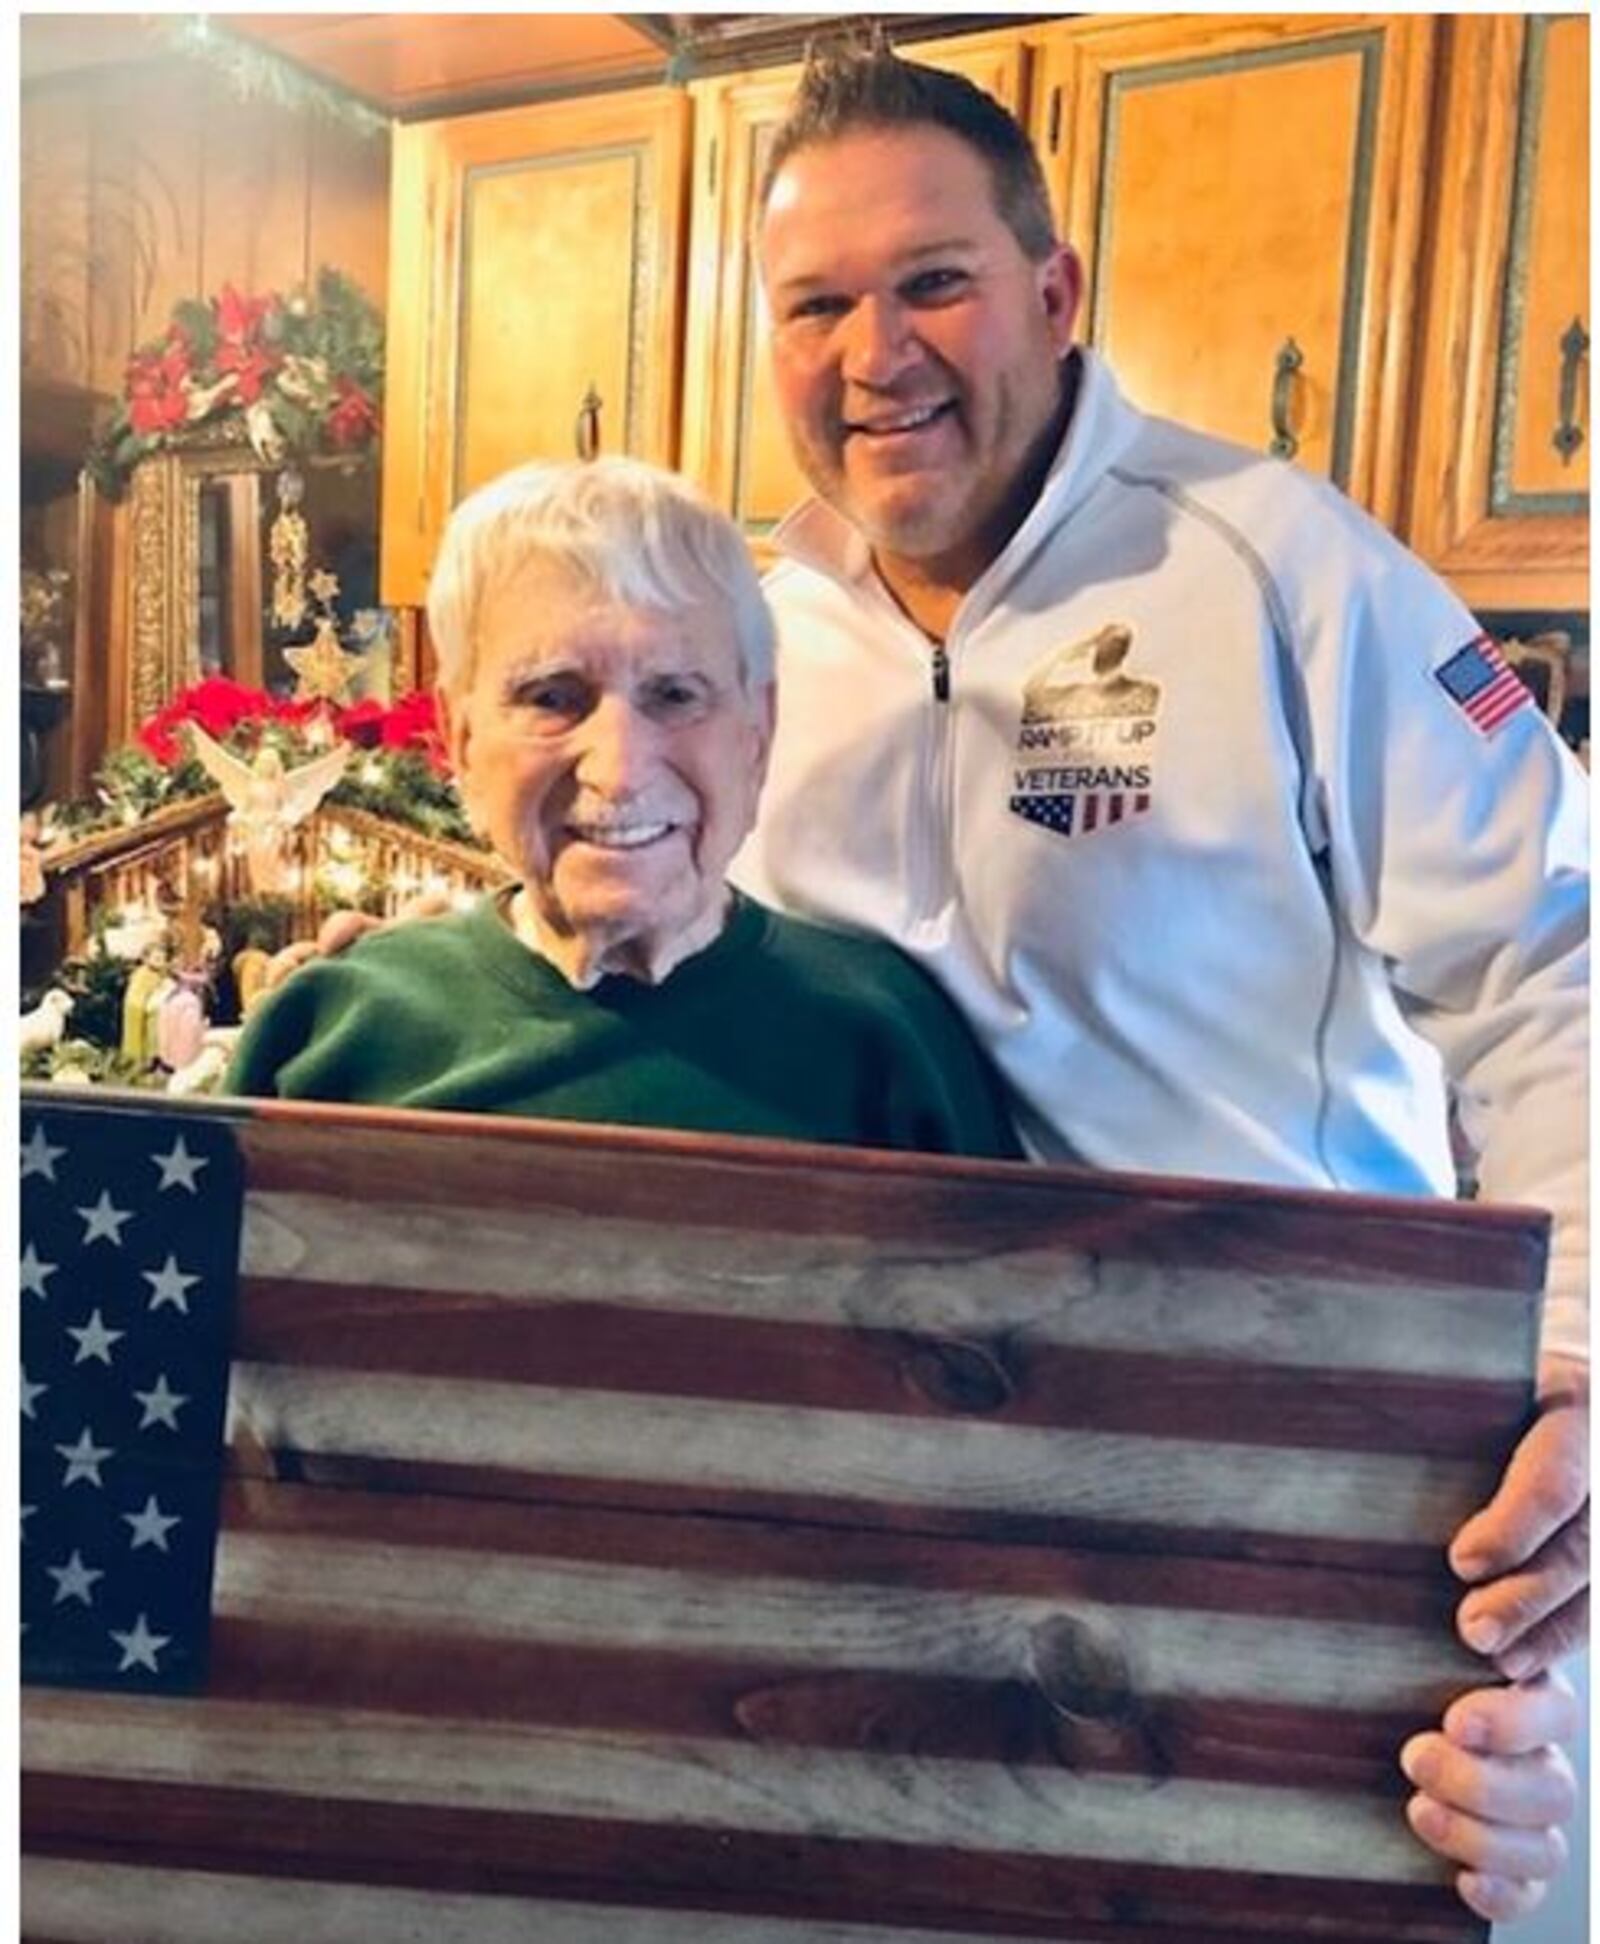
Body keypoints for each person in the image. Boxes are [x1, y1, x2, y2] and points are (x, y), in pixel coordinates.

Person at [728, 44, 1588, 1926]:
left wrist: (1581, 1356)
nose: (878, 350)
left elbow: (1555, 958)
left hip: (1298, 1460)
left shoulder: (1286, 564)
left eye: (934, 279)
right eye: (818, 302)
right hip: (891, 1483)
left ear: (1056, 291)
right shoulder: (747, 634)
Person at [225, 457, 1020, 1163]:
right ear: (459, 737)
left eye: (675, 695)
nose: (620, 770)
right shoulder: (332, 1033)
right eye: (552, 697)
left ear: (757, 731)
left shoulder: (885, 1039)